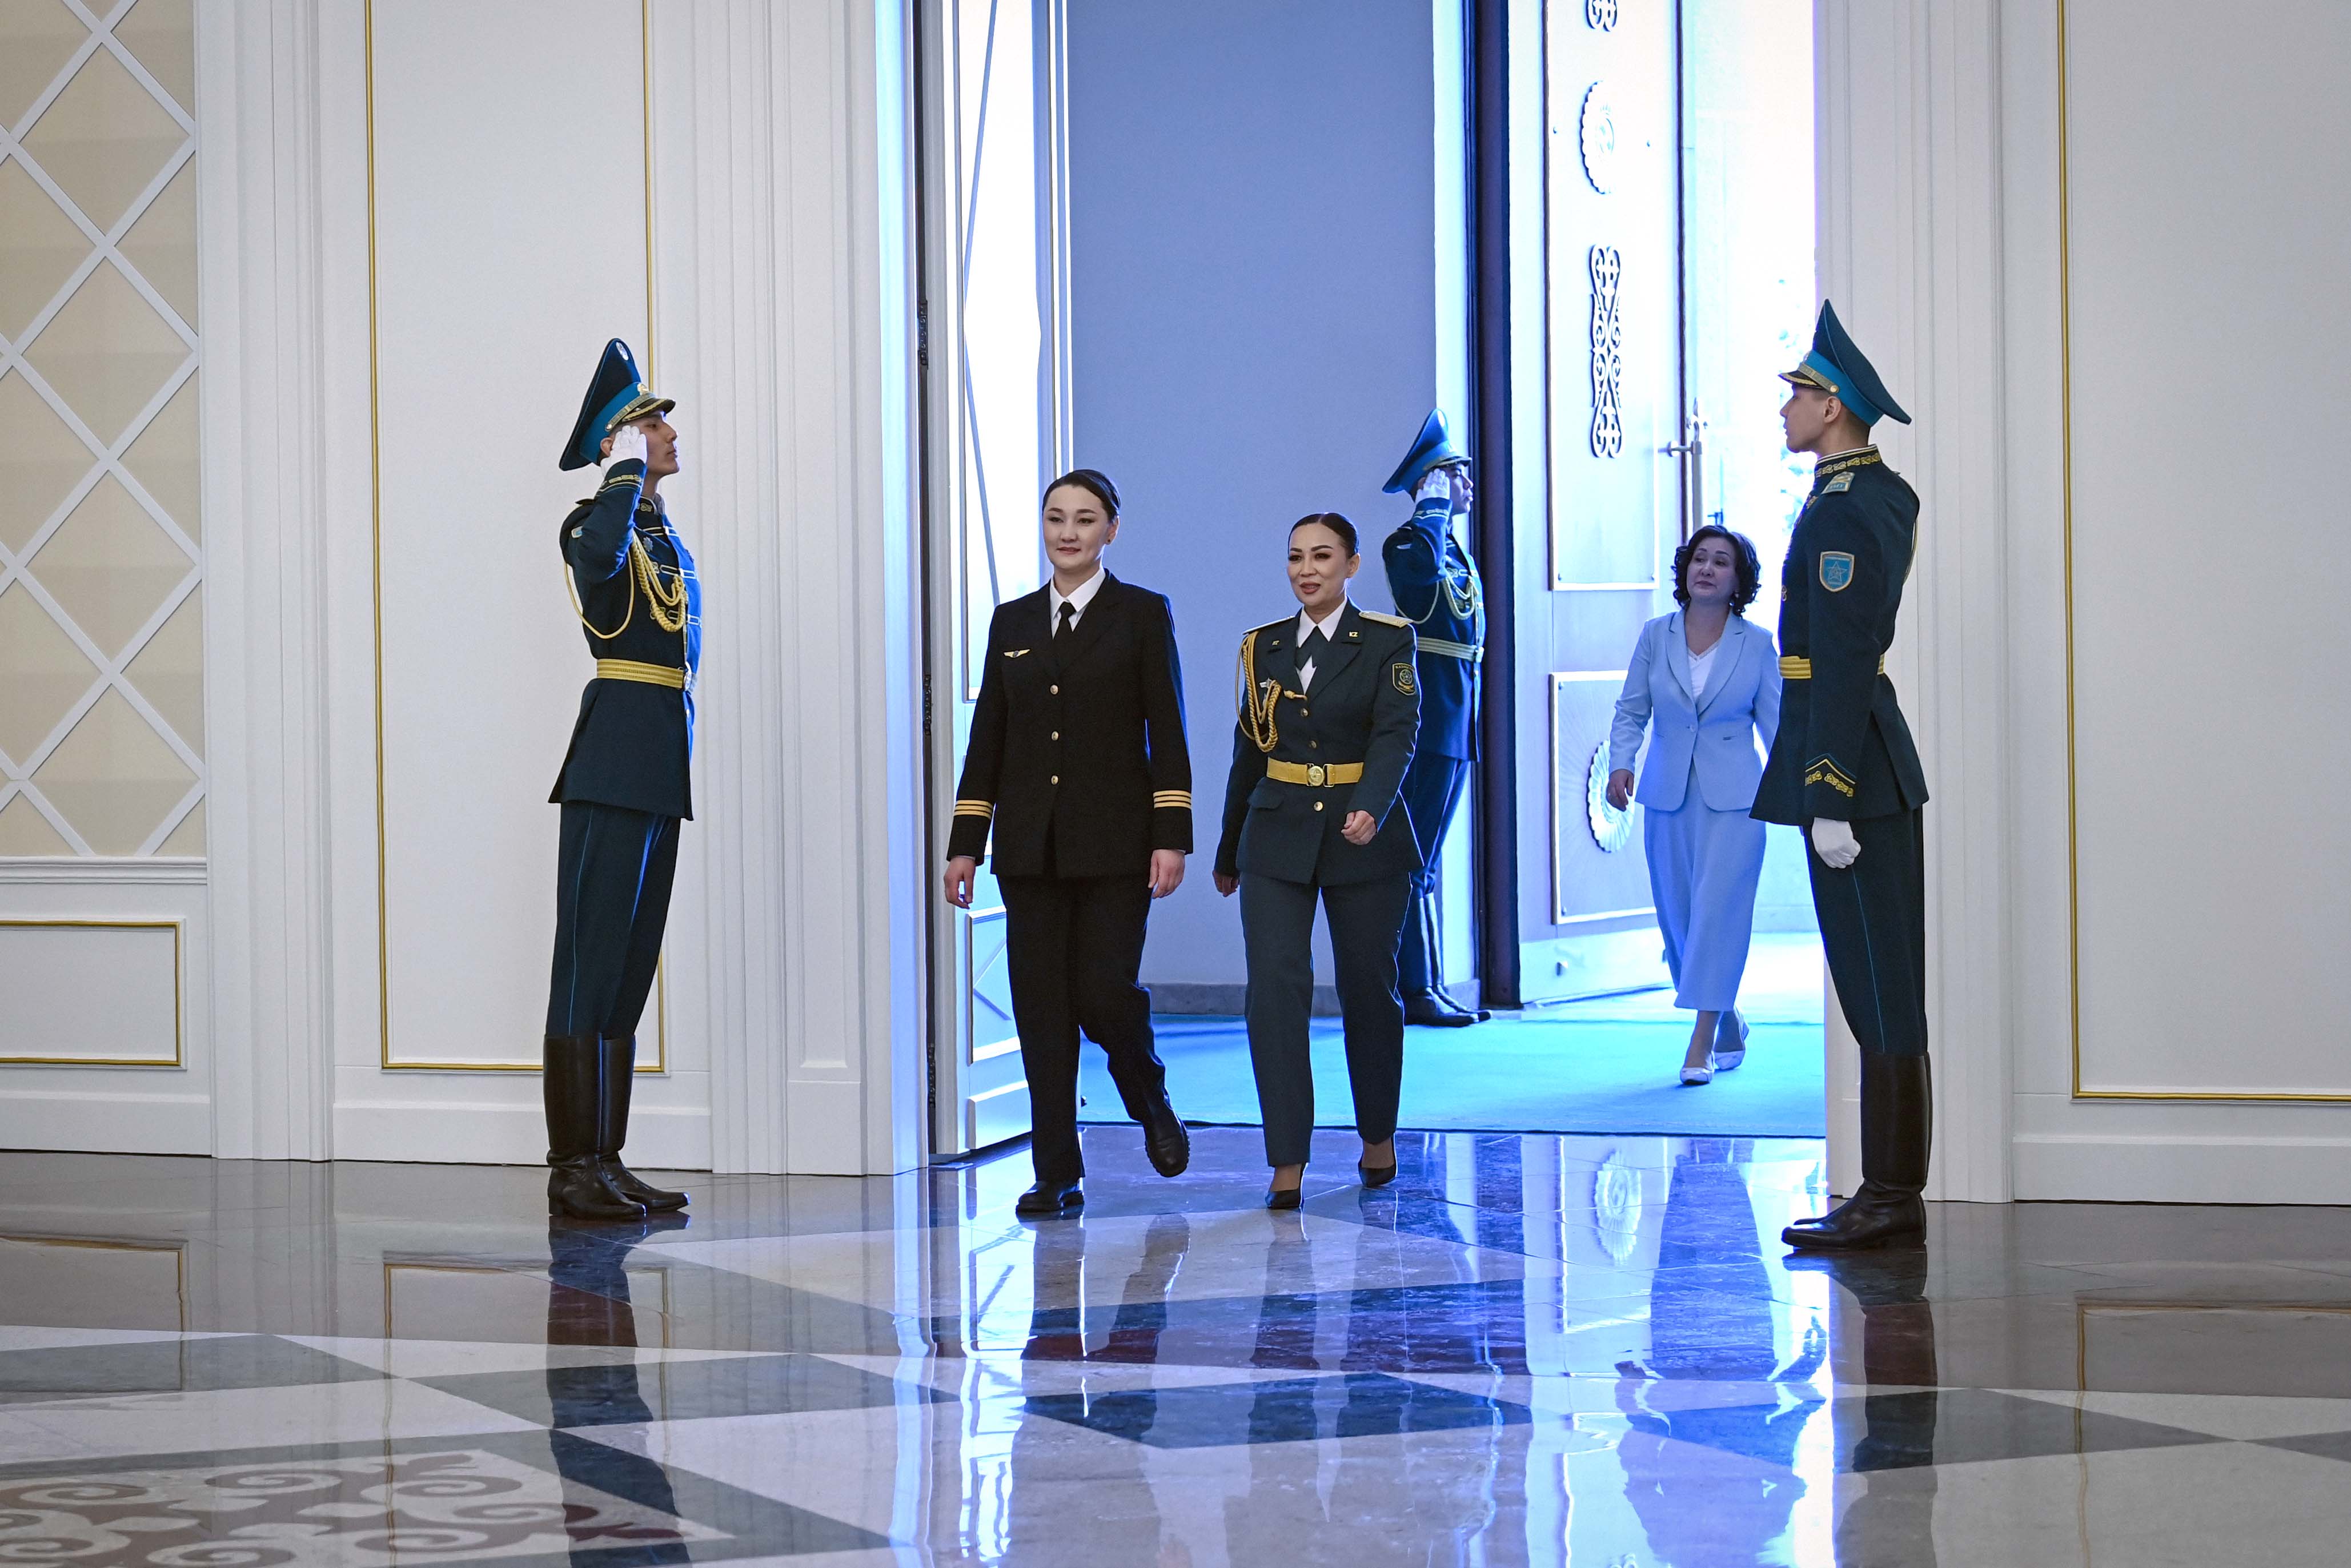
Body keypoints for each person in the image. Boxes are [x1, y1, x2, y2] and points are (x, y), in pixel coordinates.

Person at [944, 469, 1194, 1219]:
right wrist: (965, 842)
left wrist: (1172, 836)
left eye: (1085, 519)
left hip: (1118, 844)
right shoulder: (1012, 622)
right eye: (1056, 517)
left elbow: (1168, 731)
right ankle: (1056, 1170)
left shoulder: (1142, 614)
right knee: (1042, 1010)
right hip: (1031, 850)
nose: (1069, 532)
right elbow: (988, 739)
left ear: (1111, 530)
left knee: (1103, 991)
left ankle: (1146, 1091)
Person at [1754, 301, 1933, 1250]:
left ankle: (1891, 1194)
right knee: (1875, 985)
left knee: (1878, 987)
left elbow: (1845, 657)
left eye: (1798, 395)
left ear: (1832, 407)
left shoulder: (1846, 511)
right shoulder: (1864, 498)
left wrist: (1827, 794)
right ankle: (1889, 1190)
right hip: (1861, 766)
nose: (1785, 409)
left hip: (1853, 772)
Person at [1214, 513, 1421, 1209]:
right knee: (1273, 991)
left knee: (1368, 989)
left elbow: (1397, 732)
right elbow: (1250, 750)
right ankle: (1286, 1158)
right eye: (1296, 557)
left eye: (1323, 557)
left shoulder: (1387, 640)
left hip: (1364, 834)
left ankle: (1377, 1133)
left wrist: (1372, 804)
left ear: (1351, 565)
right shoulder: (1263, 647)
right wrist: (1229, 846)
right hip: (1275, 835)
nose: (1307, 570)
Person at [543, 339, 697, 1221]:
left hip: (657, 766)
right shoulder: (591, 524)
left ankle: (607, 1158)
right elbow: (599, 561)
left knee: (629, 968)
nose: (669, 434)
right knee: (588, 966)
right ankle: (571, 1167)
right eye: (650, 424)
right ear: (619, 442)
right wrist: (621, 471)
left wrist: (636, 484)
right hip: (610, 765)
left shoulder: (659, 532)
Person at [1606, 525, 1782, 1084]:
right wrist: (1620, 763)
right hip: (1666, 794)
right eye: (1700, 558)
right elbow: (1631, 709)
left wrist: (1801, 795)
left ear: (1738, 580)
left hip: (1737, 802)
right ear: (1685, 570)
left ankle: (1700, 1041)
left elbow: (1777, 725)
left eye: (1721, 562)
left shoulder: (1757, 644)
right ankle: (1726, 1017)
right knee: (1679, 921)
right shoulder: (1655, 636)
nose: (1707, 568)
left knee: (1718, 916)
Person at [1379, 410, 1489, 1027]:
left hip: (1454, 719)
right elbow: (1421, 595)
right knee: (1413, 858)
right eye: (1456, 475)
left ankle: (1429, 984)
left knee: (1426, 859)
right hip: (1427, 721)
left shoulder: (1452, 550)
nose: (1467, 486)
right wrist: (1431, 510)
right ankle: (1415, 990)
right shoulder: (1409, 546)